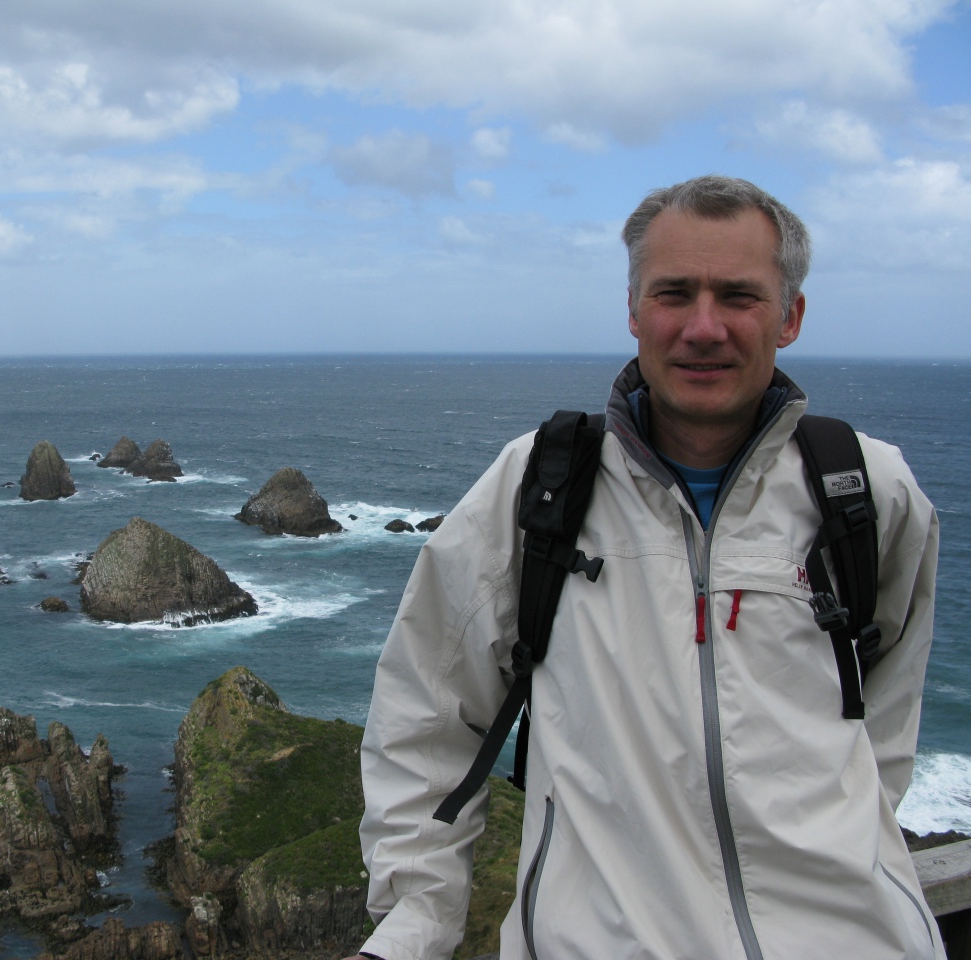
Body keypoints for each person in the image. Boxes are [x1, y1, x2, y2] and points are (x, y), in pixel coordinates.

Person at [346, 175, 942, 960]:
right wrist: (417, 924)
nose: (703, 327)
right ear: (633, 311)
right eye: (673, 293)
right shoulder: (538, 488)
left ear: (790, 316)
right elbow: (424, 714)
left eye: (739, 296)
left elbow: (884, 725)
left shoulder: (865, 489)